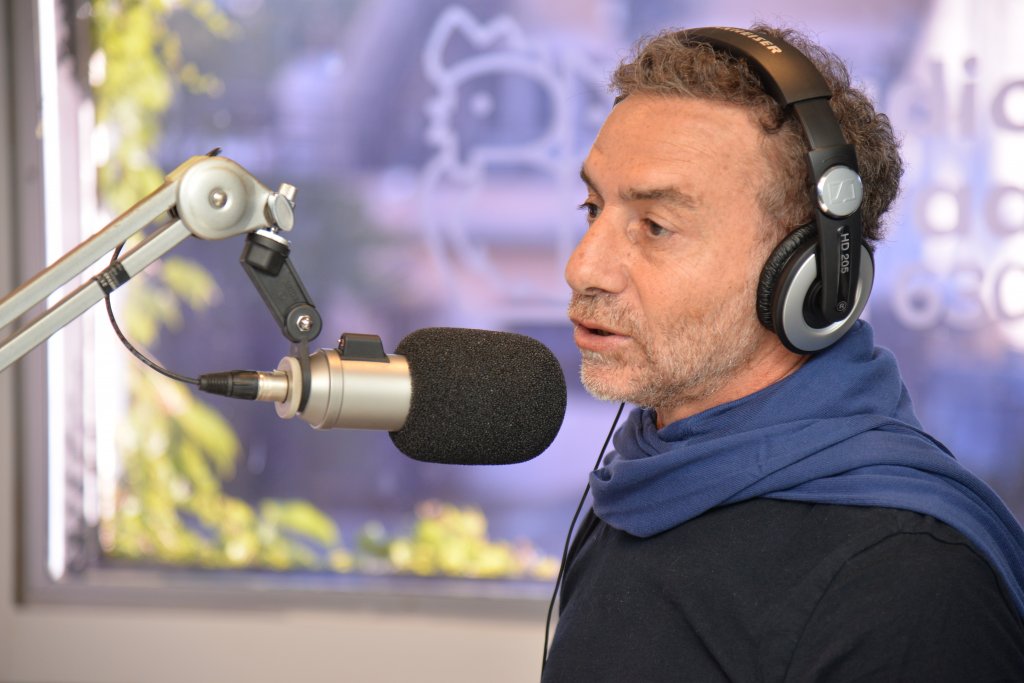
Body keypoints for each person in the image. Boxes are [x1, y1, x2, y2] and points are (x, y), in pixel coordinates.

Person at [541, 24, 1024, 681]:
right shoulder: (638, 489)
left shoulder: (907, 577)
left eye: (654, 226)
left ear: (807, 280)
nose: (583, 266)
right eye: (593, 207)